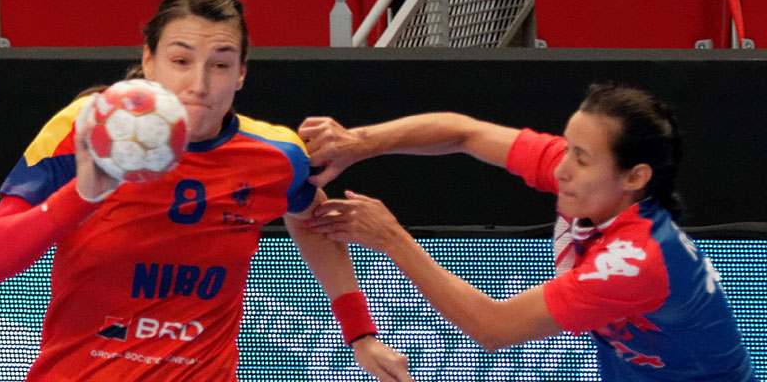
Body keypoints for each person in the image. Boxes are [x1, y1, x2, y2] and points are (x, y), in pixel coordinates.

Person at [0, 0, 411, 381]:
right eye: (180, 61)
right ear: (149, 61)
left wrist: (360, 332)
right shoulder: (89, 128)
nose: (199, 84)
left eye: (220, 64)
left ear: (241, 73)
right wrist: (84, 193)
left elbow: (311, 216)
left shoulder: (277, 154)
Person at [299, 84, 757, 381]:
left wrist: (392, 239)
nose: (561, 169)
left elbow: (493, 328)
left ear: (635, 177)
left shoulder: (636, 260)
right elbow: (464, 133)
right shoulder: (593, 187)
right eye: (568, 147)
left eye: (581, 158)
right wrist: (360, 142)